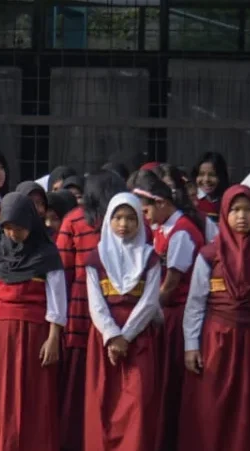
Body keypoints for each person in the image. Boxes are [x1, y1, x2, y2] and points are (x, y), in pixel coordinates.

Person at [180, 185, 250, 451]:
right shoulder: (210, 255)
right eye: (235, 210)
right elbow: (196, 302)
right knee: (212, 406)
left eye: (248, 210)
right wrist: (191, 346)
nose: (242, 216)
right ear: (224, 214)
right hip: (216, 340)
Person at [0, 192, 65, 451]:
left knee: (32, 397)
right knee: (0, 394)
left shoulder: (46, 253)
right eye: (8, 228)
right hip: (0, 334)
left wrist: (54, 337)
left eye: (18, 228)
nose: (13, 234)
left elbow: (56, 299)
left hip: (34, 335)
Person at [83, 193, 163, 451]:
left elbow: (150, 302)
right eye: (118, 217)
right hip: (105, 338)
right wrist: (112, 335)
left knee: (137, 401)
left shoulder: (150, 257)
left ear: (140, 221)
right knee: (103, 401)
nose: (124, 224)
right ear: (108, 220)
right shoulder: (96, 258)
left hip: (138, 336)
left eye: (130, 218)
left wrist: (125, 336)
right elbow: (96, 303)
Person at [132, 171, 203, 451]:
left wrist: (145, 312)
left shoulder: (182, 233)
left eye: (146, 209)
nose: (144, 216)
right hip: (165, 312)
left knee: (171, 379)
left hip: (177, 314)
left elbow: (171, 284)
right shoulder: (164, 229)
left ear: (161, 203)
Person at [56, 171, 125, 451]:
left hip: (80, 311)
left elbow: (63, 271)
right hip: (120, 313)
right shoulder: (126, 218)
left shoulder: (73, 219)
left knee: (78, 384)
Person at [193, 152, 229, 223]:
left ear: (221, 176)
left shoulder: (227, 201)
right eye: (201, 174)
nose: (206, 179)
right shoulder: (192, 201)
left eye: (212, 175)